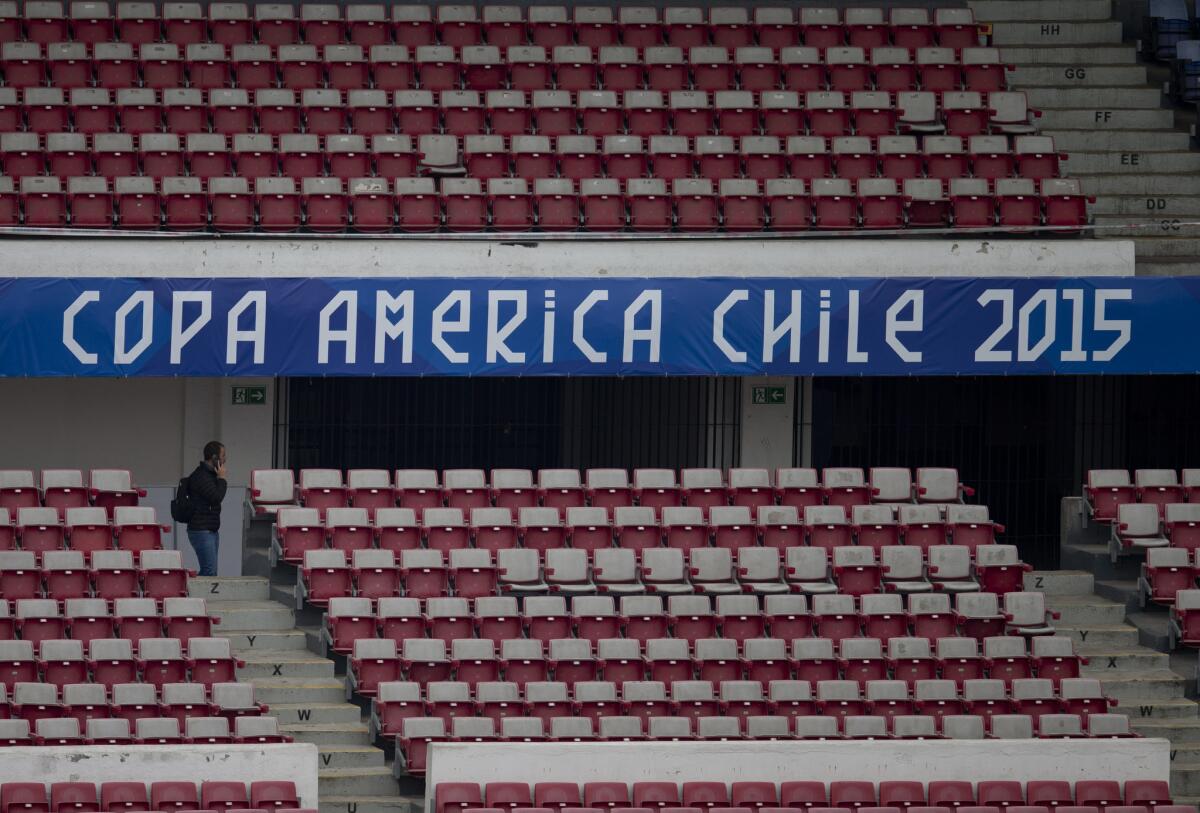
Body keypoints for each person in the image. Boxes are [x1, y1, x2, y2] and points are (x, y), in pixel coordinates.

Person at [186, 440, 227, 577]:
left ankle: (196, 596)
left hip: (210, 530)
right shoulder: (201, 476)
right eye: (223, 456)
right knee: (209, 571)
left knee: (210, 571)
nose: (225, 460)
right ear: (214, 458)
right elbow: (216, 497)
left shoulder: (209, 475)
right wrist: (222, 479)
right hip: (201, 530)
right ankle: (193, 595)